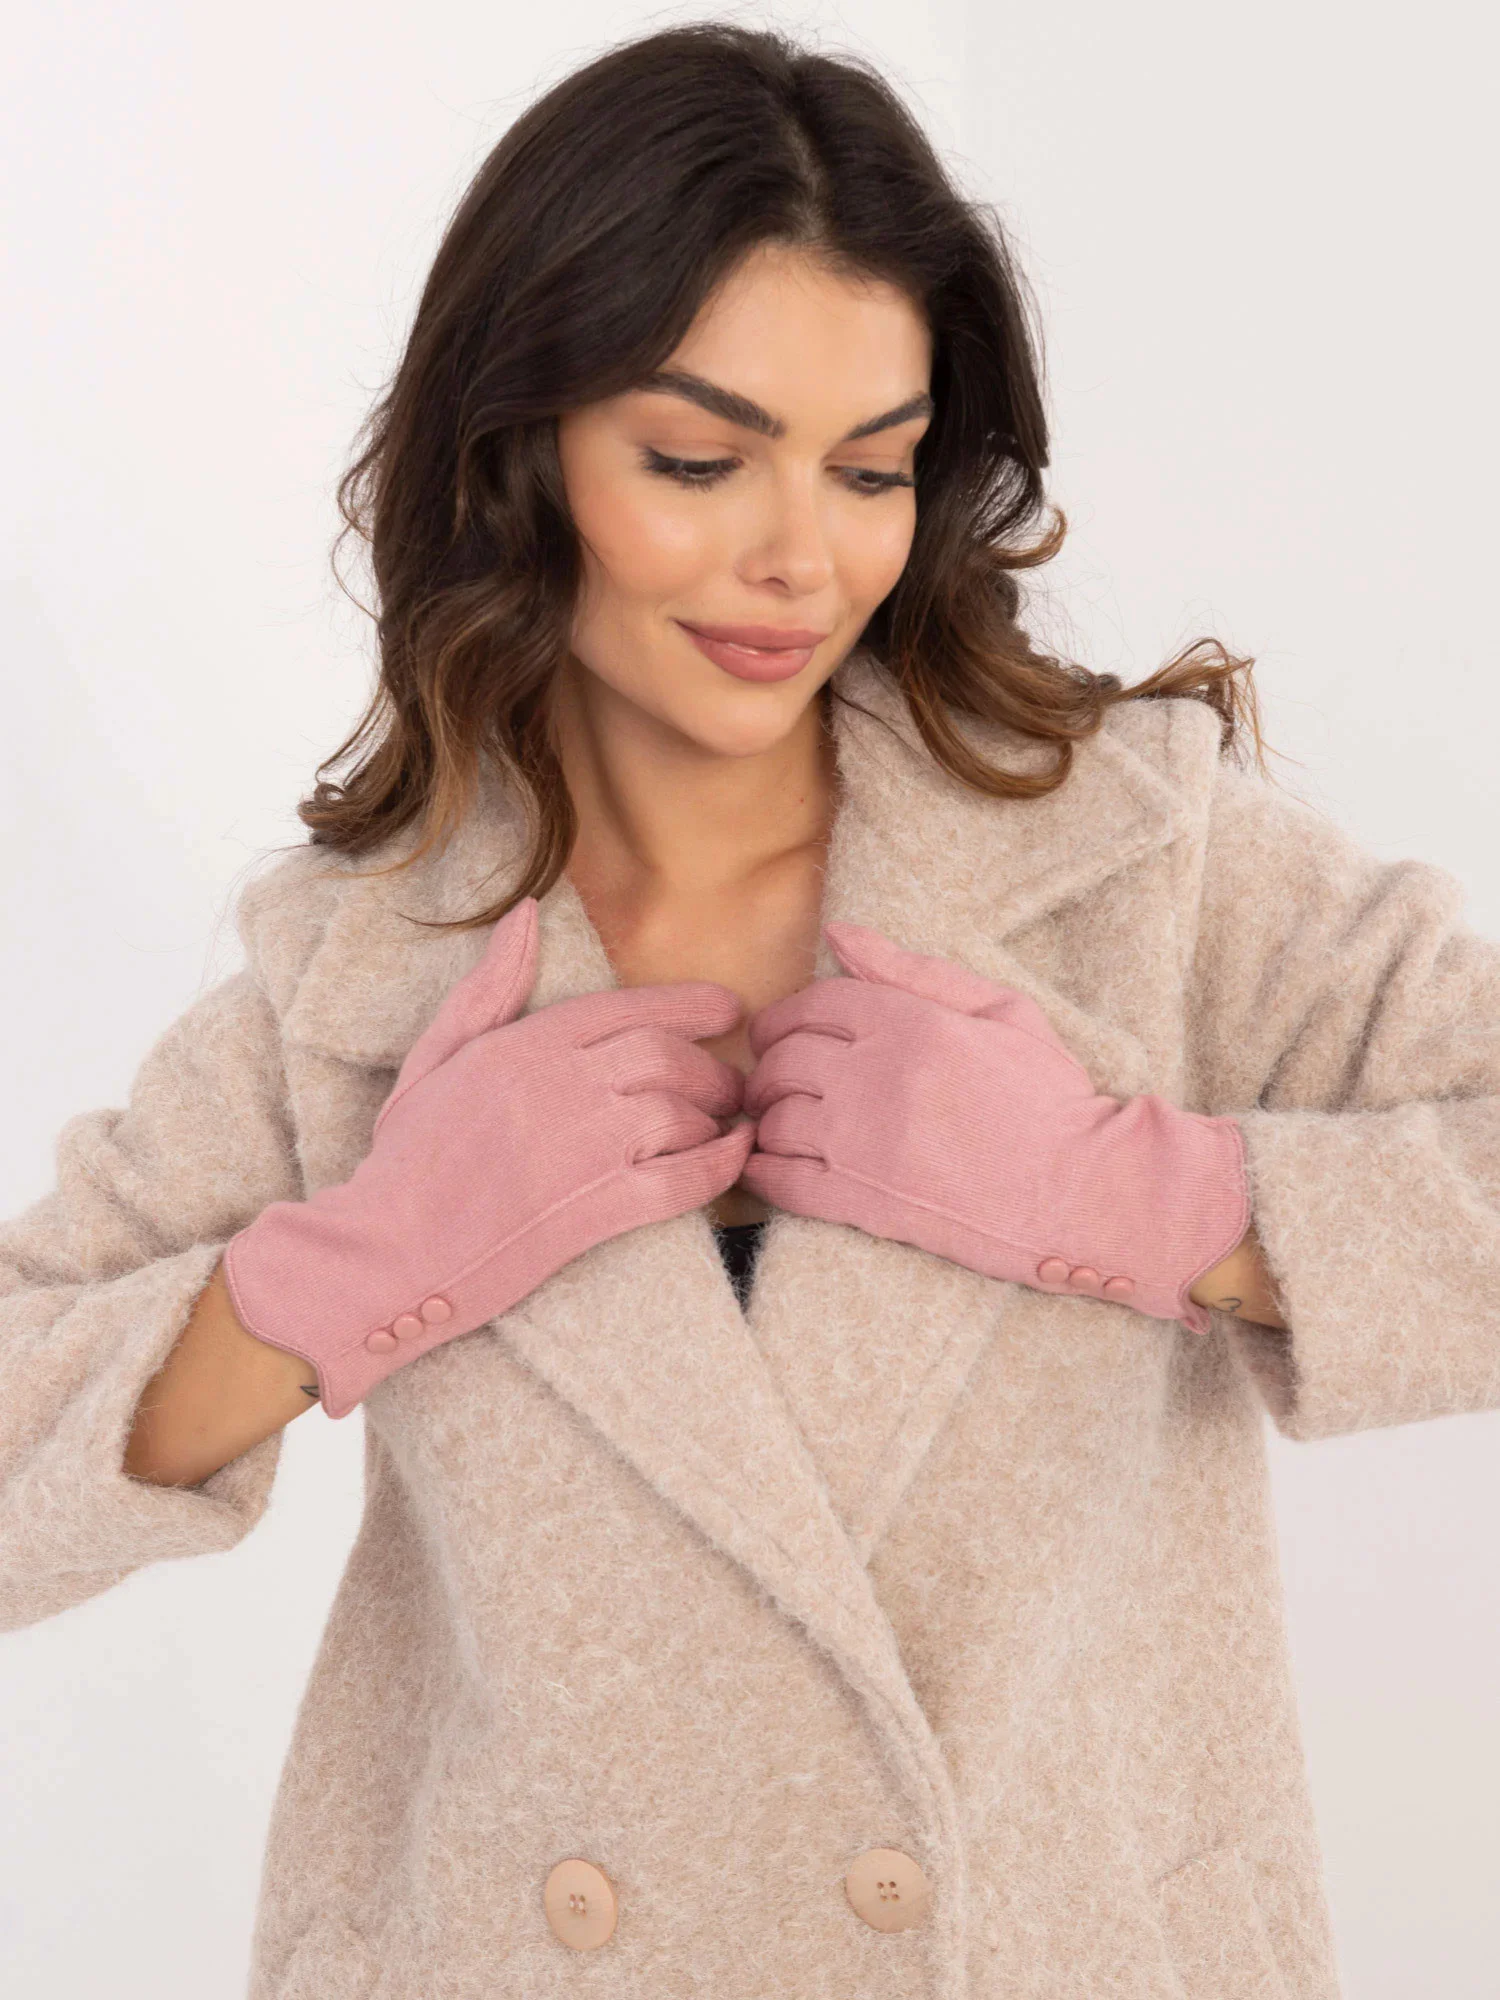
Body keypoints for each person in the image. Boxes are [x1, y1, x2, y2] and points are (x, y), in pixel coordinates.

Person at [3, 21, 1496, 1999]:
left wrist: (1138, 1196)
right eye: (698, 461)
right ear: (520, 451)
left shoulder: (1136, 861)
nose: (802, 557)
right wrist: (352, 1272)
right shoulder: (360, 970)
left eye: (871, 469)